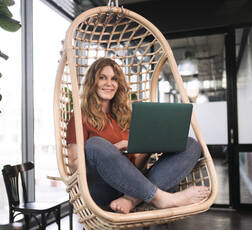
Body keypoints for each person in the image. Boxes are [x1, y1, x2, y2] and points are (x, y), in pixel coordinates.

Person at [66, 57, 210, 214]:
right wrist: (113, 149)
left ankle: (131, 199)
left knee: (190, 145)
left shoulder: (125, 117)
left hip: (131, 186)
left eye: (114, 79)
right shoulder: (80, 116)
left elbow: (135, 168)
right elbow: (74, 165)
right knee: (95, 144)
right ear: (92, 82)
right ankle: (163, 198)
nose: (109, 83)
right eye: (102, 78)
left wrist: (146, 150)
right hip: (101, 188)